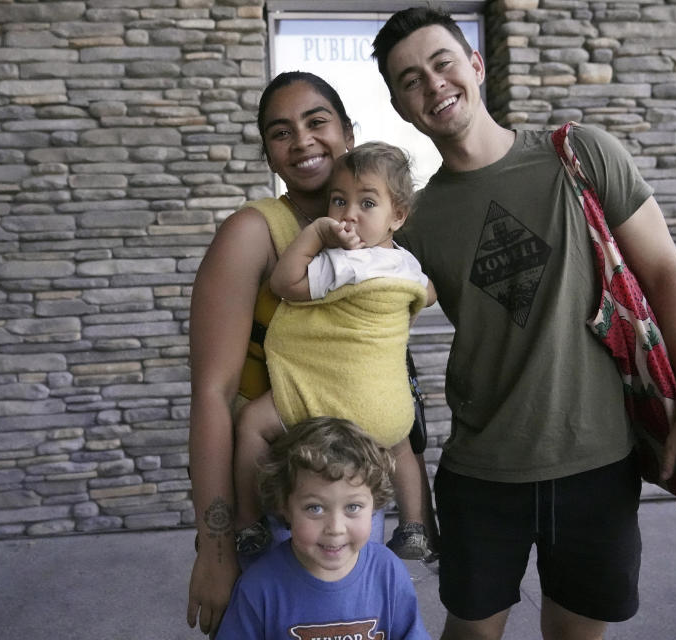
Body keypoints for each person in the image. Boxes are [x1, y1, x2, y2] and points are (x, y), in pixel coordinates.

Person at [371, 8, 676, 640]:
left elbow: (670, 275)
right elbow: (363, 308)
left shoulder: (579, 153)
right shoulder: (415, 222)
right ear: (401, 106)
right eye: (409, 80)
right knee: (472, 632)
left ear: (475, 66)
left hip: (598, 461)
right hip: (481, 469)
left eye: (442, 62)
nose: (432, 85)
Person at [186, 72, 435, 636]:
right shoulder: (254, 232)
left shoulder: (379, 238)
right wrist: (217, 546)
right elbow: (213, 393)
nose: (301, 140)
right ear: (269, 150)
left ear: (347, 132)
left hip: (355, 492)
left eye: (316, 122)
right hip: (280, 498)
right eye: (280, 131)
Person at [232, 141, 438, 561]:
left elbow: (285, 284)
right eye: (339, 201)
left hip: (329, 397)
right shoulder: (409, 266)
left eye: (367, 203)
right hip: (382, 403)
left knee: (252, 421)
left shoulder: (344, 262)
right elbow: (426, 296)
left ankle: (248, 522)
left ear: (397, 215)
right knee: (398, 439)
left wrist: (314, 234)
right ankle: (414, 526)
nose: (349, 214)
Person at [216, 416, 431, 640]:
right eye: (315, 508)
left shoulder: (388, 572)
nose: (335, 528)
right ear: (284, 507)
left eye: (353, 506)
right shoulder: (259, 587)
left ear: (375, 504)